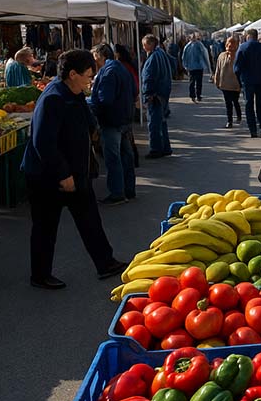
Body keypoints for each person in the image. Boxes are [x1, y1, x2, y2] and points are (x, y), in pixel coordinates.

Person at [20, 50, 127, 289]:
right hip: (48, 177)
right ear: (72, 74)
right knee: (45, 227)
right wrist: (63, 174)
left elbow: (84, 119)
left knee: (89, 218)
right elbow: (43, 143)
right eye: (88, 75)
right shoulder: (54, 98)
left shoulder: (73, 92)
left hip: (76, 172)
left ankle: (105, 262)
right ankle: (40, 275)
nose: (90, 80)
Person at [90, 44, 137, 205]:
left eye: (94, 56)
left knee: (113, 158)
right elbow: (134, 91)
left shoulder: (108, 72)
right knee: (126, 156)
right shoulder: (122, 68)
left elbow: (105, 99)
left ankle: (117, 193)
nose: (93, 60)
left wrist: (92, 104)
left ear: (101, 55)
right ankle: (129, 190)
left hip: (112, 121)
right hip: (124, 119)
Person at [234, 28, 261, 137]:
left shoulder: (242, 47)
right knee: (260, 103)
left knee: (248, 104)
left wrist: (239, 81)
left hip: (247, 81)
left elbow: (236, 68)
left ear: (247, 36)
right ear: (257, 37)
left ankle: (252, 129)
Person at [141, 35, 173, 158]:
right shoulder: (161, 54)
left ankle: (156, 149)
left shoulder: (153, 57)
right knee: (161, 122)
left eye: (144, 45)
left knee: (154, 123)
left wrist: (147, 93)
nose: (143, 48)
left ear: (150, 44)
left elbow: (149, 76)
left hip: (155, 95)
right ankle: (165, 147)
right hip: (162, 94)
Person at [214, 36, 242, 128]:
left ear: (236, 46)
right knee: (228, 103)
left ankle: (239, 115)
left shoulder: (239, 55)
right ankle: (229, 121)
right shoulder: (222, 56)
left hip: (235, 84)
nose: (230, 47)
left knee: (235, 101)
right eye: (228, 45)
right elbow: (218, 68)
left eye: (232, 45)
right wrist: (216, 80)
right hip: (225, 83)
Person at [181, 34, 211, 103]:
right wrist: (207, 66)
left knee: (192, 81)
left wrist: (185, 66)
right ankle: (198, 95)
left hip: (191, 67)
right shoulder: (199, 45)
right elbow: (204, 54)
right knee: (199, 82)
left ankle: (192, 95)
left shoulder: (187, 46)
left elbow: (184, 57)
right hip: (199, 66)